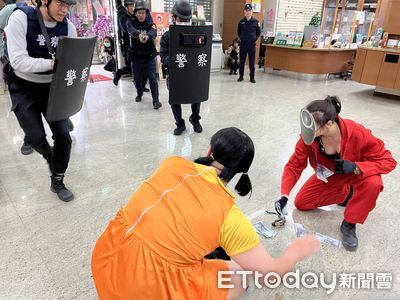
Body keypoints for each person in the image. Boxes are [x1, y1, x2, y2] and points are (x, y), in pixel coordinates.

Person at [92, 127, 320, 299]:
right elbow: (270, 275)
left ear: (210, 151)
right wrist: (296, 252)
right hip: (146, 290)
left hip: (105, 259)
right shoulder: (228, 216)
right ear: (241, 172)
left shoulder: (171, 164)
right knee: (242, 275)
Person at [275, 96, 397, 251]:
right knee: (301, 203)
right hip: (330, 175)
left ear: (329, 123)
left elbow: (388, 161)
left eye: (313, 128)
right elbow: (294, 165)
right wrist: (284, 195)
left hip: (357, 173)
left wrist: (356, 167)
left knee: (373, 183)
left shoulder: (358, 134)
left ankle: (349, 224)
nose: (307, 132)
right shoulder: (310, 139)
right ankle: (346, 194)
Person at [4, 0, 78, 202]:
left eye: (68, 5)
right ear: (44, 1)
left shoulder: (68, 27)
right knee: (35, 137)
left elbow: (72, 59)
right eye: (61, 3)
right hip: (23, 86)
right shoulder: (21, 19)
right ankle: (49, 156)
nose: (65, 9)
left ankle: (58, 179)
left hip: (54, 88)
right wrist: (52, 63)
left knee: (63, 135)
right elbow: (17, 59)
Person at [160, 0, 202, 136]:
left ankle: (195, 118)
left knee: (197, 95)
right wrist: (173, 60)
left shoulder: (196, 34)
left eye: (186, 19)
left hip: (191, 73)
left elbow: (201, 52)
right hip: (174, 73)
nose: (183, 22)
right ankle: (180, 123)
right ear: (173, 17)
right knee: (175, 99)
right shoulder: (167, 36)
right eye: (180, 19)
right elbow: (163, 56)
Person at [126, 0, 161, 109]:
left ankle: (156, 101)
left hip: (149, 57)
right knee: (137, 79)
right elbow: (131, 30)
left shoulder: (151, 24)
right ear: (135, 13)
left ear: (146, 14)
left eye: (143, 13)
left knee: (152, 79)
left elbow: (153, 32)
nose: (141, 15)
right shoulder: (130, 22)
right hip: (136, 58)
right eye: (139, 12)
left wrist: (148, 36)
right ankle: (139, 93)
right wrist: (139, 35)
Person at [237, 3, 260, 83]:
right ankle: (241, 76)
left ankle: (252, 77)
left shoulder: (256, 22)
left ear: (252, 11)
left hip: (251, 46)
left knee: (252, 63)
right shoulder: (241, 22)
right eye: (246, 10)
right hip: (243, 45)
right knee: (242, 62)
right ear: (244, 11)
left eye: (249, 10)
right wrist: (243, 39)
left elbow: (258, 33)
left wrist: (253, 39)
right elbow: (238, 33)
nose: (247, 12)